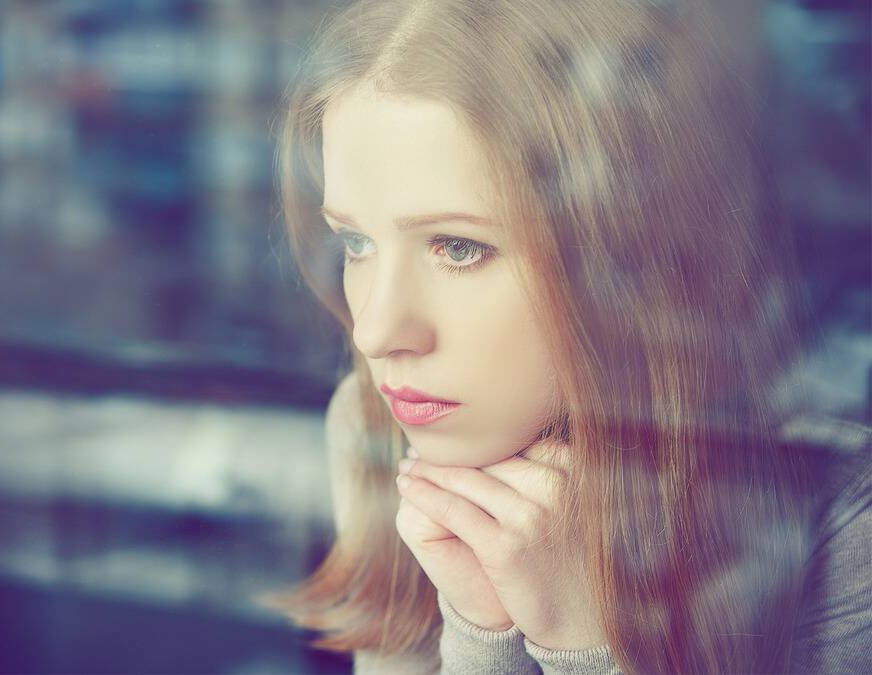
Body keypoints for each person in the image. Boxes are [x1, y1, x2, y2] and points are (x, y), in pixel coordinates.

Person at [258, 1, 872, 673]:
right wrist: (480, 630)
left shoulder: (837, 500)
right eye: (355, 242)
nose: (376, 331)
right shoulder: (372, 425)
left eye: (458, 246)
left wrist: (585, 644)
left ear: (628, 259)